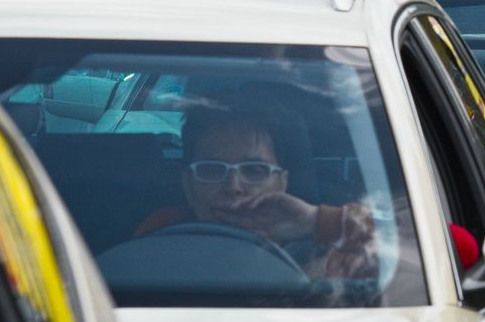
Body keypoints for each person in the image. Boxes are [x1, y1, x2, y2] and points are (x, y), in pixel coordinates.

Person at [136, 104, 376, 279]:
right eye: (211, 169)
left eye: (254, 170)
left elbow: (395, 246)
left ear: (282, 183)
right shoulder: (162, 232)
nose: (233, 187)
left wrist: (314, 221)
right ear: (188, 185)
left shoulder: (328, 252)